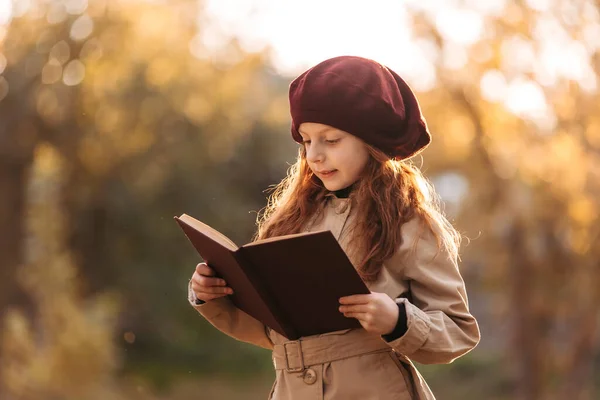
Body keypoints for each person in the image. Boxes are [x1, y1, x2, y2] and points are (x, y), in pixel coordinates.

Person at [188, 55, 480, 400]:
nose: (315, 155)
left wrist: (398, 320)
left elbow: (458, 330)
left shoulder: (407, 221)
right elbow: (274, 332)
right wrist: (213, 296)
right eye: (307, 141)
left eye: (331, 140)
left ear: (372, 143)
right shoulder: (292, 220)